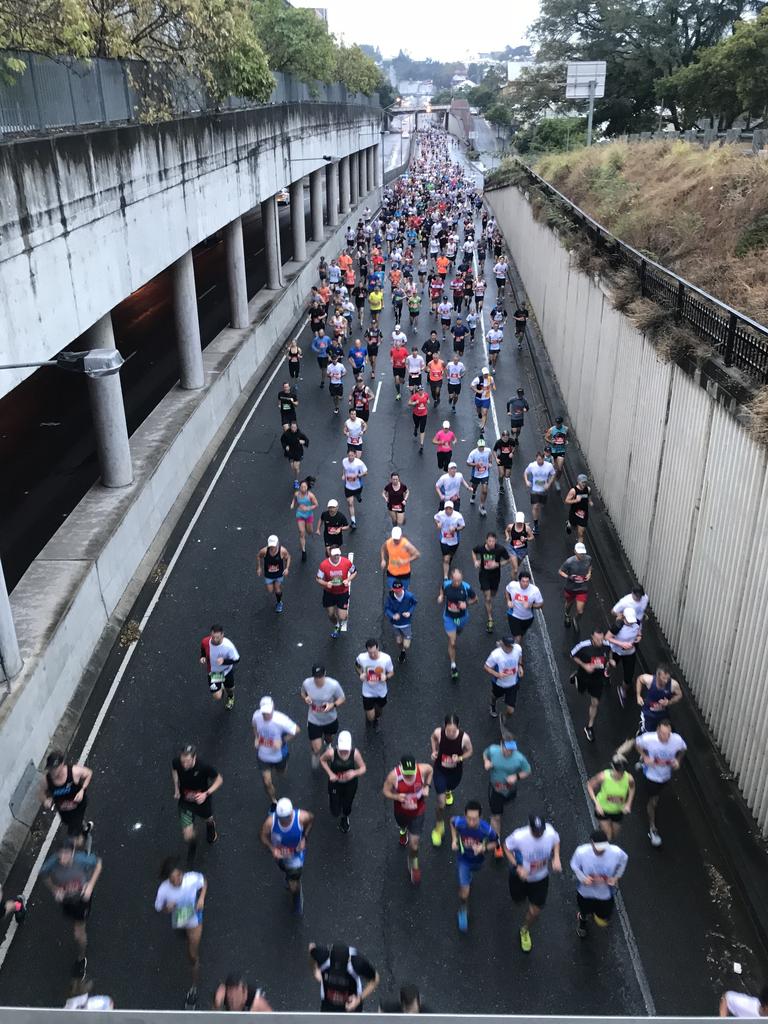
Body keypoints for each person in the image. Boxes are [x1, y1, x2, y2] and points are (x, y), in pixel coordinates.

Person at [41, 839, 102, 982]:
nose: (63, 858)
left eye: (67, 854)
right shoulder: (52, 862)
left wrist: (90, 886)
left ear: (73, 852)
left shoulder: (81, 860)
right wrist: (55, 889)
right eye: (61, 854)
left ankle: (81, 959)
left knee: (78, 933)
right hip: (67, 901)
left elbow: (98, 864)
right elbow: (43, 874)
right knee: (72, 920)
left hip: (81, 900)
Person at [504, 813, 561, 952]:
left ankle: (524, 930)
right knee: (518, 900)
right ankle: (520, 898)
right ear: (530, 827)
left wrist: (556, 857)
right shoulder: (519, 836)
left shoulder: (549, 832)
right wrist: (517, 867)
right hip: (520, 878)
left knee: (535, 910)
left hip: (540, 878)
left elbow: (556, 841)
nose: (539, 833)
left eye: (541, 830)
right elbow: (506, 847)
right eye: (536, 831)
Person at [154, 858, 206, 1008]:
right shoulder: (163, 889)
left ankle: (194, 988)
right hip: (179, 917)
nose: (177, 881)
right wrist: (167, 909)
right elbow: (159, 907)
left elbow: (203, 882)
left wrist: (201, 898)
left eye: (179, 876)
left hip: (194, 918)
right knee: (181, 932)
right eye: (173, 879)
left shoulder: (191, 878)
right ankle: (186, 936)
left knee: (192, 955)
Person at [382, 755, 434, 885]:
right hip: (401, 811)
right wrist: (396, 796)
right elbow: (385, 791)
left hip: (418, 811)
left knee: (414, 844)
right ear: (400, 767)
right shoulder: (394, 776)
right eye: (407, 773)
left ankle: (414, 862)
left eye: (412, 773)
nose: (410, 776)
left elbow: (430, 770)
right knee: (402, 825)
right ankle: (403, 830)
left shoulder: (421, 769)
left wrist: (427, 786)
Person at [635, 719, 686, 847]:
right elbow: (636, 744)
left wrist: (678, 761)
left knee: (657, 796)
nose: (665, 737)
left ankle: (642, 763)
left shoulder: (677, 740)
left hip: (666, 776)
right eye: (663, 734)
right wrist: (645, 756)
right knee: (654, 801)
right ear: (657, 730)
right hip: (651, 776)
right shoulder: (648, 738)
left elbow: (683, 750)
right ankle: (653, 828)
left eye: (668, 734)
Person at [571, 830, 629, 939]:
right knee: (584, 910)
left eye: (603, 848)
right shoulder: (582, 852)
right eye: (598, 849)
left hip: (604, 894)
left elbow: (624, 859)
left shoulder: (615, 852)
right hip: (586, 892)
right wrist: (583, 878)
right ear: (592, 843)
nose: (601, 851)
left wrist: (616, 877)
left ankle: (595, 914)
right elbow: (574, 865)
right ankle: (582, 922)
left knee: (603, 917)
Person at [260, 798, 314, 915]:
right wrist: (272, 848)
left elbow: (311, 819)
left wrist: (304, 837)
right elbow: (263, 836)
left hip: (296, 856)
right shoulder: (270, 822)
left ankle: (297, 898)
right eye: (282, 819)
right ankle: (289, 877)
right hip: (280, 856)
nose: (285, 821)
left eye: (287, 818)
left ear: (291, 813)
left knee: (293, 883)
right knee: (283, 868)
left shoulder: (301, 817)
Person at [450, 801, 497, 932]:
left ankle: (468, 879)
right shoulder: (460, 822)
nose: (471, 822)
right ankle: (463, 909)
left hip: (478, 861)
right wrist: (454, 839)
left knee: (471, 876)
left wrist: (484, 848)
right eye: (469, 818)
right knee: (465, 893)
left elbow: (496, 842)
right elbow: (452, 822)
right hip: (463, 860)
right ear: (465, 816)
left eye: (474, 819)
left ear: (480, 817)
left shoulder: (485, 828)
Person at [171, 744, 223, 862]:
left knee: (208, 819)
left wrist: (206, 793)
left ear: (194, 758)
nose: (184, 764)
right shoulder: (177, 762)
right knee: (188, 835)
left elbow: (219, 779)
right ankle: (193, 845)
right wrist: (176, 788)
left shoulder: (204, 767)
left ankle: (211, 825)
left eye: (188, 761)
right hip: (186, 802)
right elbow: (174, 770)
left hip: (201, 801)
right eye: (183, 761)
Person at [483, 736, 531, 858]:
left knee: (504, 807)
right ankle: (497, 843)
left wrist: (517, 777)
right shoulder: (493, 751)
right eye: (506, 749)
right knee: (496, 817)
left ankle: (498, 812)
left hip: (510, 791)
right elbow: (485, 753)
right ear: (501, 744)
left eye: (511, 750)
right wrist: (486, 762)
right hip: (495, 791)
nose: (509, 752)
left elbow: (527, 770)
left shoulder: (519, 758)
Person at [430, 713, 473, 847]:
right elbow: (433, 738)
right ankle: (439, 826)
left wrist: (460, 758)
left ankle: (448, 791)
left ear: (458, 728)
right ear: (444, 727)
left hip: (455, 772)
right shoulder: (439, 732)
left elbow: (470, 751)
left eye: (453, 731)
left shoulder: (464, 738)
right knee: (441, 803)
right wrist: (434, 751)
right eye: (448, 730)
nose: (450, 733)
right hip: (440, 770)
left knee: (451, 787)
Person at [251, 696, 300, 806]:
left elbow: (297, 730)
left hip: (279, 755)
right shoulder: (256, 716)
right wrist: (256, 738)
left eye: (268, 712)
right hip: (263, 755)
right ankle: (274, 801)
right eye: (264, 713)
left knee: (281, 773)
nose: (266, 715)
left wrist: (282, 741)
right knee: (267, 781)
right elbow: (254, 726)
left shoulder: (281, 720)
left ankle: (282, 768)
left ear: (273, 708)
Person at [571, 627, 615, 742]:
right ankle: (576, 675)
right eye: (597, 639)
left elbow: (609, 653)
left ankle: (589, 727)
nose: (600, 642)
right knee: (580, 691)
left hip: (597, 679)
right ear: (592, 637)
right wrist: (584, 666)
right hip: (584, 675)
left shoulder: (607, 645)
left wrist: (611, 661)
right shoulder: (583, 646)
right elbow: (573, 655)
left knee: (595, 702)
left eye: (601, 639)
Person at [308, 942, 380, 1012]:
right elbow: (311, 948)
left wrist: (358, 1000)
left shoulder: (358, 964)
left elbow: (375, 979)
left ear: (349, 960)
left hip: (351, 1002)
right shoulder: (322, 956)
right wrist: (315, 970)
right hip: (328, 1002)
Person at [42, 752, 93, 848]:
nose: (52, 772)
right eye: (50, 769)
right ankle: (84, 828)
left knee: (74, 839)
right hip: (63, 811)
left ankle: (84, 840)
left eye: (54, 769)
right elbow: (40, 793)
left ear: (62, 765)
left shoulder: (74, 772)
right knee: (69, 823)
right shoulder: (47, 780)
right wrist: (45, 800)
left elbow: (89, 773)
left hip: (77, 808)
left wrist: (82, 790)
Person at [320, 730, 367, 833]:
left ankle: (345, 818)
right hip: (335, 784)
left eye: (346, 749)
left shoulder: (355, 753)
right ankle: (335, 803)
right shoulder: (331, 752)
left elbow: (363, 768)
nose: (344, 752)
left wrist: (354, 773)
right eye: (342, 749)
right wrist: (330, 774)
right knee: (335, 811)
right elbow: (322, 760)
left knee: (347, 805)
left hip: (350, 784)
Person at [300, 665, 346, 769]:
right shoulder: (307, 683)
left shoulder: (333, 685)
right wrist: (305, 698)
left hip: (330, 719)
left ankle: (328, 745)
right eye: (316, 677)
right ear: (313, 676)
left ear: (325, 674)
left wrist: (332, 705)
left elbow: (342, 698)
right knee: (317, 747)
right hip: (314, 720)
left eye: (320, 676)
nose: (318, 679)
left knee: (329, 737)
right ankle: (316, 753)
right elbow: (302, 693)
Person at [437, 567, 478, 682]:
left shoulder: (466, 587)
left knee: (459, 631)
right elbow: (442, 590)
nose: (457, 583)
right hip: (449, 617)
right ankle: (453, 665)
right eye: (455, 581)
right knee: (453, 642)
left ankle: (456, 633)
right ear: (451, 578)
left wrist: (467, 603)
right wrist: (441, 596)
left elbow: (475, 599)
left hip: (461, 618)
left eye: (459, 580)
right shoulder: (446, 585)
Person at [587, 757, 635, 842]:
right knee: (608, 836)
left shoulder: (628, 778)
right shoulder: (603, 776)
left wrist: (628, 803)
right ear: (613, 767)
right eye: (618, 771)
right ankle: (602, 848)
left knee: (614, 834)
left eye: (623, 772)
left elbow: (632, 788)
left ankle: (602, 831)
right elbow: (590, 786)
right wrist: (597, 804)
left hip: (618, 811)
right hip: (603, 810)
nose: (621, 774)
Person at [472, 532, 511, 633]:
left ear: (496, 541)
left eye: (493, 541)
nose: (491, 543)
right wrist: (475, 561)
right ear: (486, 541)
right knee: (488, 598)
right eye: (489, 541)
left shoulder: (500, 549)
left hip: (495, 576)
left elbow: (508, 559)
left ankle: (488, 599)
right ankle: (490, 619)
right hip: (484, 575)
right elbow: (473, 551)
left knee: (493, 594)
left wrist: (497, 564)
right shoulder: (481, 548)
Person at [355, 638, 395, 731]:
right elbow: (356, 666)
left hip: (381, 691)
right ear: (367, 650)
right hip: (367, 691)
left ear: (378, 648)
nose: (372, 655)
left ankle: (377, 719)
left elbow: (391, 672)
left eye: (374, 652)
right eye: (370, 653)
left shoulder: (386, 658)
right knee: (370, 717)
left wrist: (386, 677)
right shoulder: (362, 657)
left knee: (379, 710)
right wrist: (360, 674)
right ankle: (370, 718)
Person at [316, 547, 357, 637]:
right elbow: (318, 579)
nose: (336, 557)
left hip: (342, 592)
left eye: (338, 554)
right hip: (329, 593)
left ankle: (343, 617)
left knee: (342, 617)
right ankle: (337, 625)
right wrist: (326, 583)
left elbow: (354, 572)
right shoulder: (323, 565)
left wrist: (348, 579)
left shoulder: (346, 562)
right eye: (334, 555)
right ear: (330, 555)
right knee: (331, 615)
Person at [607, 606, 642, 706]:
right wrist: (621, 644)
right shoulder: (618, 625)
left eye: (632, 621)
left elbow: (639, 633)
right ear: (623, 617)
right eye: (628, 621)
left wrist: (639, 637)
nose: (631, 623)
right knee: (612, 665)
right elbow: (607, 637)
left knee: (629, 676)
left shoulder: (637, 623)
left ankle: (622, 690)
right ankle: (607, 671)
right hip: (617, 652)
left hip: (630, 653)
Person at [484, 636, 524, 723]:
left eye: (512, 645)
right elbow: (486, 667)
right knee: (495, 696)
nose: (511, 648)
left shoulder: (517, 648)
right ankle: (492, 705)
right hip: (499, 684)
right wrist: (497, 674)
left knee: (511, 710)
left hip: (513, 683)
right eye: (508, 646)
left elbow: (520, 656)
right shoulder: (495, 654)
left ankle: (503, 717)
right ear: (503, 645)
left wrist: (520, 666)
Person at [199, 624, 240, 710]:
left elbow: (237, 659)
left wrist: (224, 661)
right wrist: (202, 657)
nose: (214, 639)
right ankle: (221, 685)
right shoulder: (205, 641)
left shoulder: (228, 646)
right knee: (218, 697)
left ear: (222, 635)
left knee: (230, 689)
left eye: (217, 637)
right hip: (214, 672)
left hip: (226, 671)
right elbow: (203, 648)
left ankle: (230, 697)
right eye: (213, 637)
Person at [558, 542, 593, 632]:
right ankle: (567, 614)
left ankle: (575, 620)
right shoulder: (569, 562)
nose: (582, 555)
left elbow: (590, 566)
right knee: (569, 603)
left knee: (580, 611)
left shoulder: (588, 558)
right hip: (571, 588)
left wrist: (589, 573)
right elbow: (560, 571)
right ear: (575, 551)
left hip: (582, 588)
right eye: (580, 553)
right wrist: (569, 577)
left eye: (583, 553)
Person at [505, 570, 544, 646]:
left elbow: (541, 604)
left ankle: (518, 645)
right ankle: (518, 655)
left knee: (521, 635)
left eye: (527, 581)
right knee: (518, 637)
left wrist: (531, 605)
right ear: (519, 581)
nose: (525, 584)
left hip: (528, 618)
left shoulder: (535, 590)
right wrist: (508, 601)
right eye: (523, 581)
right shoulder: (513, 585)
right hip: (514, 616)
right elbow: (507, 591)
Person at [384, 580, 418, 663]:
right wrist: (393, 615)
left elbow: (414, 603)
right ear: (393, 589)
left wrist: (409, 612)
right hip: (395, 624)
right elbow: (386, 609)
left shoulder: (409, 596)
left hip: (405, 623)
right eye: (396, 591)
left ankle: (405, 645)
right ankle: (402, 651)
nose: (398, 592)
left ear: (402, 588)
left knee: (406, 644)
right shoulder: (390, 597)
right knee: (399, 641)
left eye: (399, 590)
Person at [256, 535, 291, 613]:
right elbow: (258, 556)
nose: (272, 547)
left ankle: (279, 603)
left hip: (279, 574)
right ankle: (275, 586)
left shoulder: (282, 551)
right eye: (271, 545)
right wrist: (259, 568)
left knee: (277, 590)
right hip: (269, 575)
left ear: (277, 543)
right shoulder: (264, 551)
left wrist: (287, 568)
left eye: (274, 545)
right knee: (270, 590)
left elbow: (288, 557)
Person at [524, 452, 556, 535]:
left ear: (543, 459)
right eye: (538, 459)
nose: (539, 461)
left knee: (541, 506)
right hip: (534, 489)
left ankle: (538, 514)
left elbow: (553, 474)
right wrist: (527, 481)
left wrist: (549, 484)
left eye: (541, 459)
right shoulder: (532, 465)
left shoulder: (549, 466)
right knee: (535, 506)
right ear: (536, 459)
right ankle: (536, 525)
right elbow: (525, 472)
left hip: (544, 490)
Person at [434, 499, 466, 579]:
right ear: (444, 509)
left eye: (450, 508)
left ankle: (448, 561)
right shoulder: (441, 514)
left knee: (450, 557)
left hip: (454, 541)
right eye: (446, 509)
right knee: (446, 558)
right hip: (444, 540)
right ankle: (445, 577)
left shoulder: (458, 516)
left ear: (452, 509)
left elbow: (463, 526)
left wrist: (455, 529)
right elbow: (435, 517)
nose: (448, 510)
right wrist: (438, 524)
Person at [290, 476, 318, 562]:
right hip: (300, 514)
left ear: (307, 487)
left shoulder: (310, 495)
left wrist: (308, 508)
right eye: (302, 487)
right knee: (302, 532)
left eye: (305, 487)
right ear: (299, 487)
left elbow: (316, 504)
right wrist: (292, 504)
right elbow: (294, 499)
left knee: (309, 531)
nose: (303, 488)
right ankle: (303, 551)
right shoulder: (296, 494)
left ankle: (310, 533)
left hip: (309, 515)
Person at [341, 450, 367, 529]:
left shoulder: (359, 463)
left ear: (355, 455)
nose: (350, 457)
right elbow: (344, 469)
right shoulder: (344, 461)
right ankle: (353, 521)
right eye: (349, 455)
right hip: (348, 486)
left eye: (352, 455)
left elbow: (366, 473)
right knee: (350, 503)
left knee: (357, 495)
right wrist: (343, 475)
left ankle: (358, 495)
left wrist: (358, 475)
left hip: (358, 486)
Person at [466, 437, 492, 516]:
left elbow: (490, 457)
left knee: (485, 491)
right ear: (477, 446)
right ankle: (474, 493)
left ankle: (482, 506)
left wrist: (490, 462)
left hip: (485, 473)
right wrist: (475, 464)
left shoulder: (488, 450)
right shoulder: (473, 453)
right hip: (476, 474)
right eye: (480, 447)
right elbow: (468, 463)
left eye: (482, 446)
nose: (481, 448)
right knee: (474, 487)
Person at [564, 473, 593, 542]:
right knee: (574, 526)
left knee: (581, 533)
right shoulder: (573, 491)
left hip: (583, 514)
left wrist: (590, 501)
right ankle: (569, 524)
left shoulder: (588, 489)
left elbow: (589, 495)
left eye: (585, 482)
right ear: (578, 481)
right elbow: (566, 501)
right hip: (574, 513)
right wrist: (576, 500)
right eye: (582, 482)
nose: (584, 484)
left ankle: (579, 551)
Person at [281, 421, 309, 489]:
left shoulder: (300, 434)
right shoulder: (286, 433)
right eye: (293, 427)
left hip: (298, 452)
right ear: (290, 427)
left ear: (297, 427)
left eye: (295, 427)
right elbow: (282, 440)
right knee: (293, 467)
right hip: (290, 452)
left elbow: (307, 440)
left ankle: (296, 480)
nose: (294, 429)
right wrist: (285, 446)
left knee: (296, 467)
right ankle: (296, 471)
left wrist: (303, 442)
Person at [543, 416, 569, 490]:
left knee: (560, 468)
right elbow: (546, 437)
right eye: (556, 423)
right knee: (551, 467)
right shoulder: (552, 429)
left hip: (561, 450)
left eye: (559, 423)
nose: (557, 424)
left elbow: (567, 437)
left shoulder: (566, 429)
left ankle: (556, 480)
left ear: (561, 423)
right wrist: (551, 441)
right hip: (553, 450)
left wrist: (566, 441)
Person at [505, 510, 534, 575]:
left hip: (522, 550)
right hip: (513, 549)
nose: (519, 523)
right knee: (515, 570)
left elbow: (532, 537)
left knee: (517, 566)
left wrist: (526, 539)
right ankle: (514, 582)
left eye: (521, 522)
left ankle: (514, 573)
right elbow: (506, 530)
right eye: (518, 522)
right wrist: (507, 537)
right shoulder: (510, 526)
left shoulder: (527, 528)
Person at [470, 367, 495, 435]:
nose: (486, 375)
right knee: (479, 410)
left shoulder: (490, 378)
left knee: (485, 412)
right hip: (478, 398)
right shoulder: (478, 379)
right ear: (483, 374)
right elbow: (471, 386)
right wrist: (478, 391)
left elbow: (493, 384)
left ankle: (482, 427)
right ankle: (479, 413)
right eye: (485, 374)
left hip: (486, 399)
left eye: (487, 374)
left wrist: (491, 389)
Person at [408, 383, 430, 453]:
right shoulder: (415, 396)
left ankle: (421, 444)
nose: (421, 391)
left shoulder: (426, 395)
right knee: (417, 425)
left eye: (422, 390)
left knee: (422, 429)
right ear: (418, 391)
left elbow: (428, 400)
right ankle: (415, 428)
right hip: (416, 414)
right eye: (420, 390)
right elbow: (409, 403)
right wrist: (414, 403)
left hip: (424, 414)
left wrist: (428, 401)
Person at [390, 333, 409, 400]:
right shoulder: (392, 350)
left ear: (400, 345)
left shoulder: (404, 350)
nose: (397, 347)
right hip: (395, 367)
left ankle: (403, 381)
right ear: (395, 345)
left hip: (402, 367)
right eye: (396, 346)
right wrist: (391, 360)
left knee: (401, 380)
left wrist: (405, 359)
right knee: (397, 380)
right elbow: (391, 356)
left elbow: (407, 356)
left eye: (398, 345)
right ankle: (398, 393)